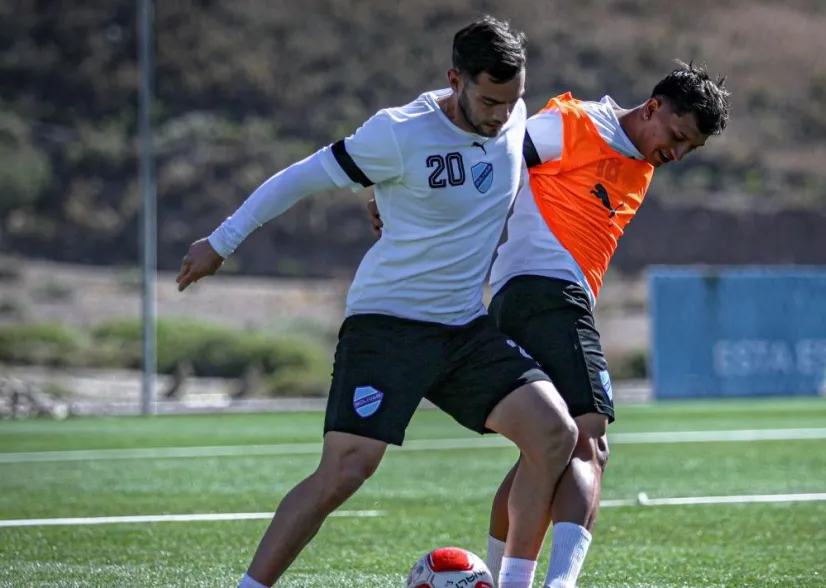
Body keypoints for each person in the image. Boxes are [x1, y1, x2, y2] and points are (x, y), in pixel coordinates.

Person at [176, 16, 578, 588]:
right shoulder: (398, 132)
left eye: (510, 101)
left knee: (554, 434)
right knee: (347, 469)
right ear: (454, 79)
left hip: (464, 329)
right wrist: (220, 242)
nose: (500, 115)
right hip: (388, 325)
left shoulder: (512, 117)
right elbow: (299, 178)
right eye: (489, 100)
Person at [369, 59, 731, 588]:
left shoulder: (641, 162)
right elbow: (490, 158)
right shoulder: (577, 125)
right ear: (652, 108)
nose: (676, 154)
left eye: (689, 149)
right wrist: (404, 204)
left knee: (546, 449)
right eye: (676, 136)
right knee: (590, 442)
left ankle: (493, 578)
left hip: (532, 297)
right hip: (547, 293)